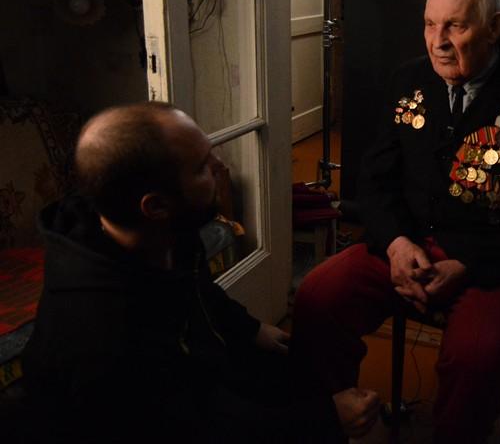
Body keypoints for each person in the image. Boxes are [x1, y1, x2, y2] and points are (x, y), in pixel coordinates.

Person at [291, 0, 500, 443]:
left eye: (456, 25)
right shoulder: (407, 81)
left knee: (476, 357)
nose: (438, 41)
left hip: (494, 261)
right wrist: (395, 244)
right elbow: (376, 179)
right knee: (317, 298)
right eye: (430, 24)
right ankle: (330, 423)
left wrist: (467, 264)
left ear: (494, 27)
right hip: (406, 246)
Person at [22, 102, 380, 444]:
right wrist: (324, 419)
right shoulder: (104, 340)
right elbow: (199, 429)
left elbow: (194, 288)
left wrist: (248, 328)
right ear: (155, 205)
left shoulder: (158, 230)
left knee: (305, 372)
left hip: (199, 379)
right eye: (201, 167)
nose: (220, 167)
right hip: (160, 423)